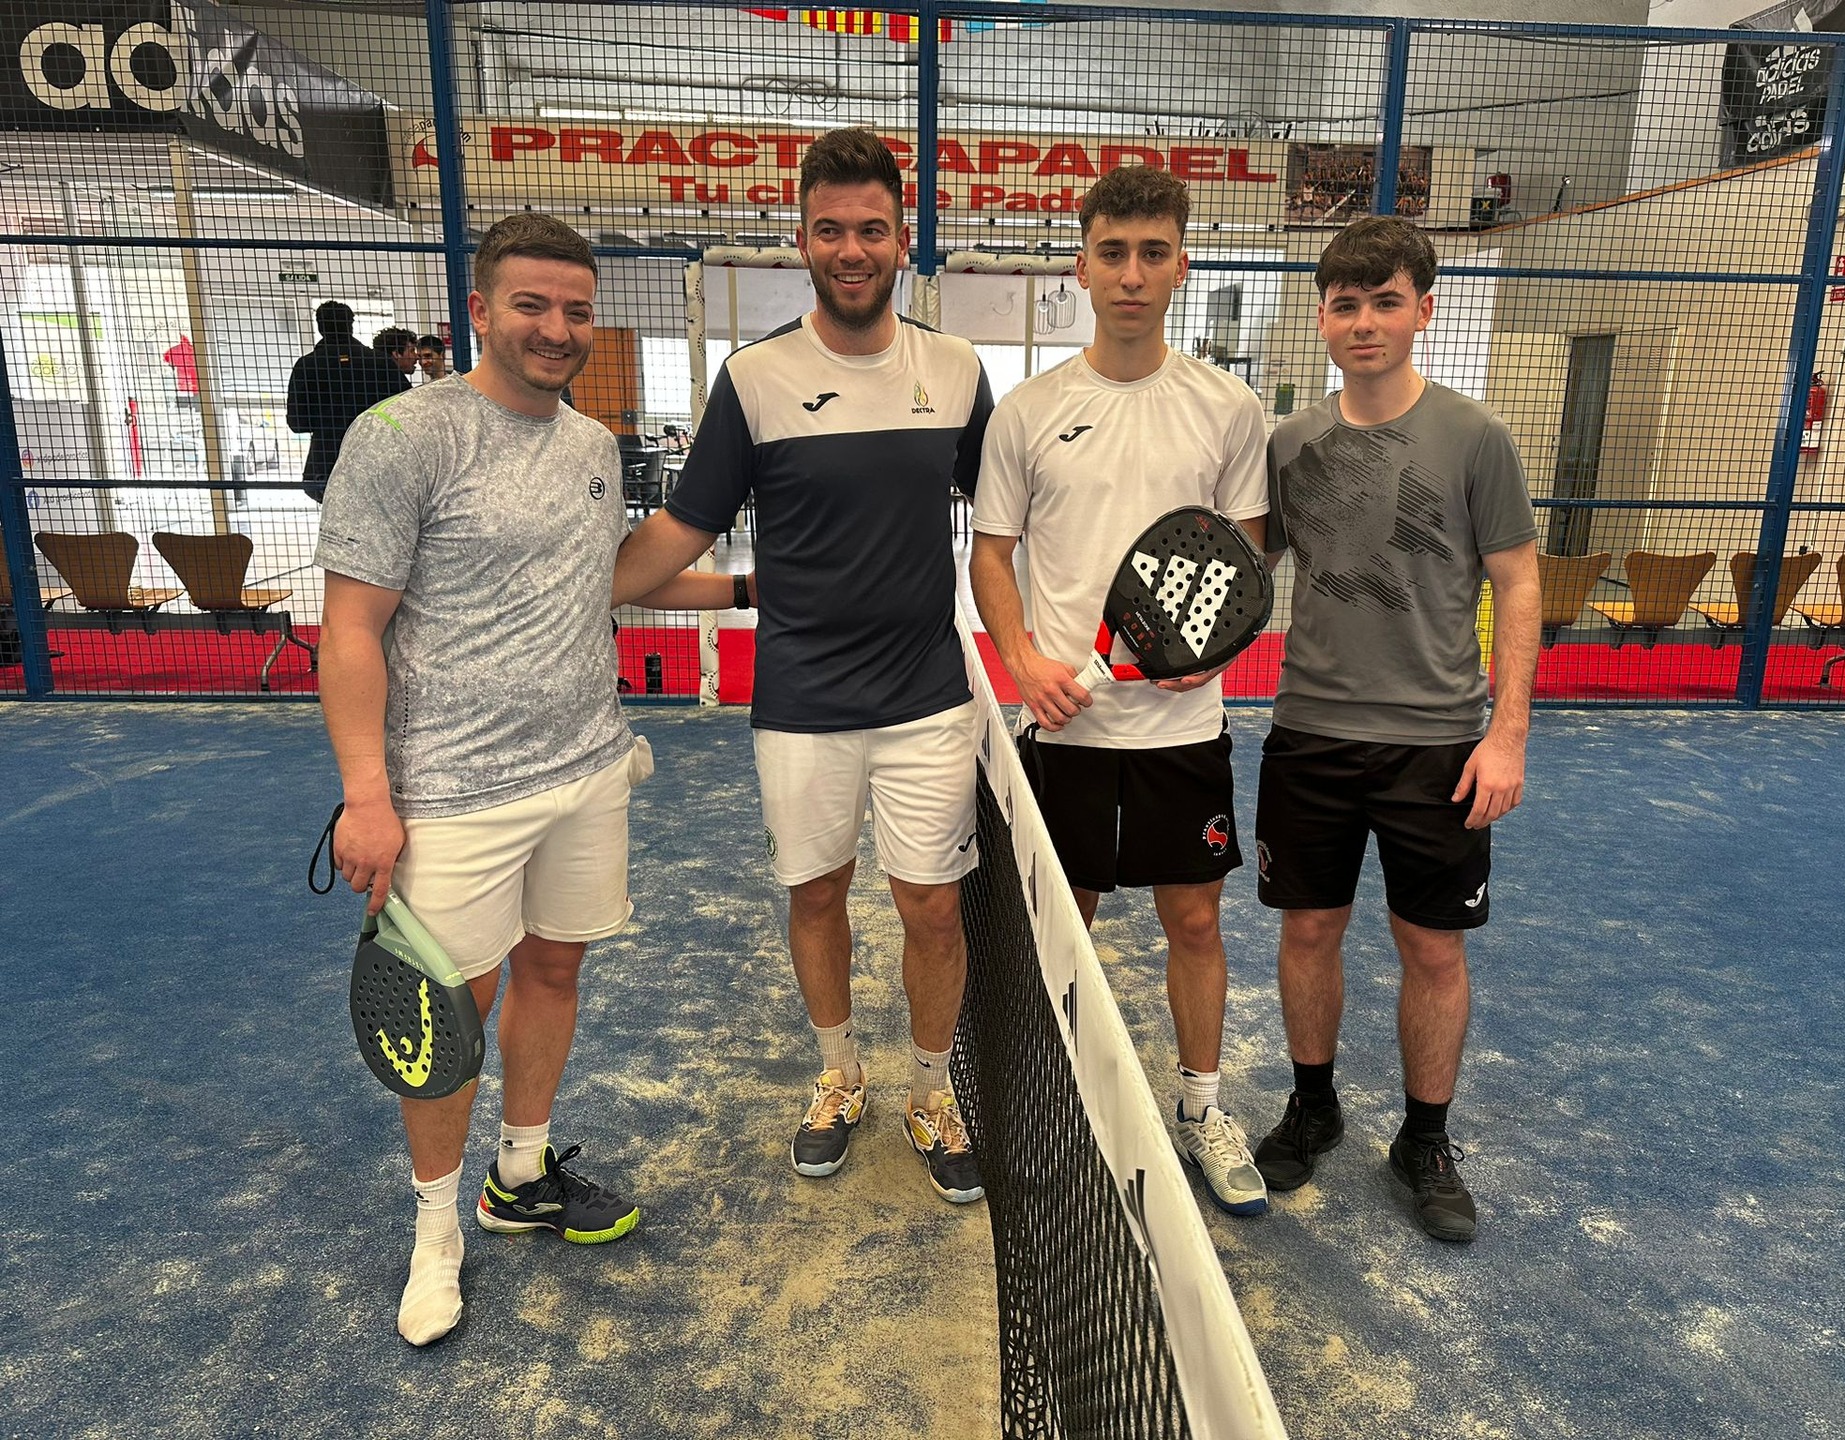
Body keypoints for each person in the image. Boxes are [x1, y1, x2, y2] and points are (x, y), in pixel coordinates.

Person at [314, 213, 737, 1347]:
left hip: (587, 768)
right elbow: (349, 630)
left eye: (576, 311)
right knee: (447, 1017)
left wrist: (758, 591)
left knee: (555, 967)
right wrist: (367, 795)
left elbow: (605, 579)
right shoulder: (401, 436)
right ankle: (434, 1231)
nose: (557, 329)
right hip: (450, 790)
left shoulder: (592, 446)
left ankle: (520, 1174)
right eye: (532, 306)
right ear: (481, 312)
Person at [609, 127, 995, 1206]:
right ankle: (840, 1075)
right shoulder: (755, 379)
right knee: (816, 895)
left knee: (933, 909)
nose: (851, 249)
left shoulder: (956, 371)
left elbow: (1011, 516)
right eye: (830, 230)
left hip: (928, 699)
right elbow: (681, 531)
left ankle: (931, 1091)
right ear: (802, 238)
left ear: (903, 238)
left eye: (871, 229)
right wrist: (573, 587)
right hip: (800, 703)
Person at [968, 166, 1272, 1218]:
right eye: (1112, 253)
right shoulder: (1029, 412)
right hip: (1067, 731)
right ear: (1082, 266)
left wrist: (1209, 655)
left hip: (1183, 730)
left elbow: (1242, 556)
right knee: (1066, 931)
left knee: (1196, 922)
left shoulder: (1228, 408)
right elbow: (992, 554)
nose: (1131, 274)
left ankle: (1201, 1110)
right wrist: (1024, 660)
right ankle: (1051, 1104)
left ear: (1181, 265)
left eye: (1152, 253)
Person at [1252, 214, 1541, 1244]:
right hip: (1309, 736)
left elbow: (1519, 584)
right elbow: (1246, 572)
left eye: (1385, 302)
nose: (1365, 322)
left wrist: (1506, 735)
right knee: (1308, 931)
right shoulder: (1289, 445)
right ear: (1323, 318)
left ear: (1424, 309)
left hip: (1438, 745)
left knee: (1432, 947)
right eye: (1346, 304)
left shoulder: (1475, 438)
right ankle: (1313, 1105)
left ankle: (1425, 1139)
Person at [285, 302, 411, 502]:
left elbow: (297, 422)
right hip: (377, 458)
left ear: (320, 327)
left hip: (327, 464)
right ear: (351, 325)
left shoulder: (307, 366)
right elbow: (407, 410)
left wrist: (327, 420)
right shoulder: (380, 362)